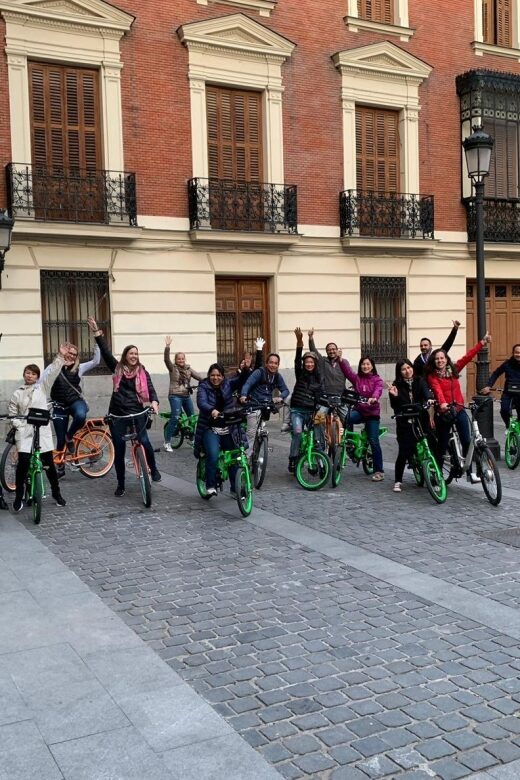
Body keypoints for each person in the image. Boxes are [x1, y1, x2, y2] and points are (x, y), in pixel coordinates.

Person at [87, 316, 160, 497]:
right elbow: (105, 352)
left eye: (136, 353)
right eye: (131, 353)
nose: (134, 356)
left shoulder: (143, 372)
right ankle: (121, 483)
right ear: (126, 356)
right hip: (118, 414)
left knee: (145, 442)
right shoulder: (117, 368)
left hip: (137, 411)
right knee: (119, 450)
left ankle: (154, 468)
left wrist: (155, 402)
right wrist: (97, 333)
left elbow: (150, 388)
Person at [9, 346, 71, 512]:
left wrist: (60, 356)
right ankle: (19, 496)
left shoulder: (42, 387)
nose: (29, 375)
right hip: (25, 432)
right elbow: (13, 414)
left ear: (37, 376)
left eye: (33, 373)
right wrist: (20, 426)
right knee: (23, 464)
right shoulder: (17, 393)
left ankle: (57, 494)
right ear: (24, 375)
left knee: (49, 464)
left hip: (41, 431)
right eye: (27, 372)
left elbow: (53, 372)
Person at [425, 332, 492, 478]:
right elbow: (437, 390)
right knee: (441, 446)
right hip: (444, 412)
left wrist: (482, 343)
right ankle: (437, 475)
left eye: (442, 358)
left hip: (459, 409)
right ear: (434, 361)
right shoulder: (432, 376)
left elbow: (468, 357)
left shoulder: (454, 369)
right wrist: (442, 403)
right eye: (437, 359)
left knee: (467, 441)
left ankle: (469, 472)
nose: (440, 361)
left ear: (446, 359)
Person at [193, 363, 246, 497]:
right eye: (212, 375)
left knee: (235, 457)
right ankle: (210, 484)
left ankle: (236, 488)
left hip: (228, 426)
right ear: (209, 376)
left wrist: (245, 368)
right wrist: (212, 410)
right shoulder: (203, 386)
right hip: (210, 427)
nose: (215, 378)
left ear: (223, 376)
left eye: (218, 375)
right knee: (213, 454)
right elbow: (201, 402)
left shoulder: (228, 384)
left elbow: (242, 380)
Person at [51, 340, 100, 468]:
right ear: (64, 353)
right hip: (59, 406)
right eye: (70, 353)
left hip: (75, 402)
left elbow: (96, 361)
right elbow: (42, 380)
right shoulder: (55, 367)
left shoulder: (79, 368)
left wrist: (97, 342)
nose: (72, 356)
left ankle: (69, 436)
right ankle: (60, 466)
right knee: (60, 440)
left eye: (74, 354)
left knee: (80, 415)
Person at [388, 359, 434, 493]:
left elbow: (426, 393)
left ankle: (435, 475)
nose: (407, 371)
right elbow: (395, 407)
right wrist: (394, 396)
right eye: (403, 369)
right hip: (405, 421)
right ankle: (398, 480)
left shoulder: (420, 381)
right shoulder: (396, 385)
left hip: (420, 419)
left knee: (431, 444)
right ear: (399, 372)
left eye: (409, 368)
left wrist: (429, 398)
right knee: (404, 450)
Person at [339, 354, 385, 481]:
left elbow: (378, 390)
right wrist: (341, 360)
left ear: (372, 366)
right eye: (363, 364)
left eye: (368, 364)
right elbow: (348, 372)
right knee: (347, 417)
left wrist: (374, 398)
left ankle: (379, 471)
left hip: (372, 414)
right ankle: (349, 443)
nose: (365, 366)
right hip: (359, 411)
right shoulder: (357, 378)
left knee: (373, 441)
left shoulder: (377, 379)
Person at [288, 328, 324, 474]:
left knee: (317, 438)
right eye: (306, 362)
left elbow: (321, 396)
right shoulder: (300, 374)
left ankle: (321, 462)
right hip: (297, 411)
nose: (309, 364)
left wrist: (321, 410)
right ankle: (293, 458)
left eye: (311, 362)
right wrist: (299, 341)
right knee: (297, 433)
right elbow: (297, 359)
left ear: (315, 364)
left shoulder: (319, 377)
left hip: (312, 412)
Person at [239, 352, 290, 444]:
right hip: (255, 403)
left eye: (275, 363)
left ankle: (286, 424)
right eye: (271, 362)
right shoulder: (259, 372)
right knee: (251, 433)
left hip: (268, 403)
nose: (273, 365)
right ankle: (247, 456)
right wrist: (243, 395)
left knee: (288, 399)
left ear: (278, 365)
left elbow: (286, 390)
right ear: (266, 363)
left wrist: (280, 397)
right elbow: (248, 384)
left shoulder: (277, 376)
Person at [163, 337, 204, 451]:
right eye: (178, 359)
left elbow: (199, 377)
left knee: (192, 417)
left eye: (182, 359)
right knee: (175, 417)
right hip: (175, 395)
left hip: (186, 396)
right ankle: (167, 442)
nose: (181, 360)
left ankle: (192, 438)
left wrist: (208, 381)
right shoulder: (172, 368)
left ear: (184, 359)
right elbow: (166, 360)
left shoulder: (188, 369)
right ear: (176, 360)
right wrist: (167, 347)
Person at [308, 328, 347, 419]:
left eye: (333, 349)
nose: (332, 351)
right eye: (329, 349)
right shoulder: (323, 361)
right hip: (326, 397)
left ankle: (347, 433)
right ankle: (320, 433)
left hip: (340, 397)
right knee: (318, 419)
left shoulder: (343, 363)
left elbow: (350, 374)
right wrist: (310, 338)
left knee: (348, 418)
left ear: (337, 350)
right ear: (326, 351)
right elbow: (313, 351)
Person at [481, 344, 520, 427]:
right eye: (516, 352)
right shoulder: (507, 363)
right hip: (508, 393)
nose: (518, 355)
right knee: (504, 410)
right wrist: (489, 386)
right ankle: (509, 426)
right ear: (513, 353)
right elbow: (496, 373)